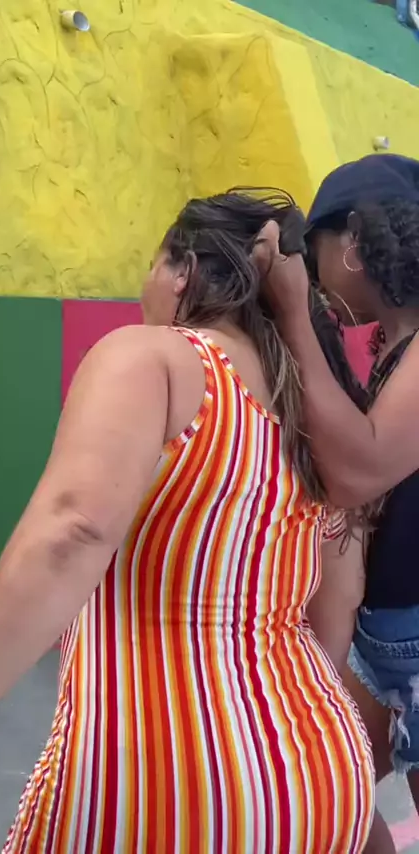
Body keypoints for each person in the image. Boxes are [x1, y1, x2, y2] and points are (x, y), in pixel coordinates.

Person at [0, 189, 374, 853]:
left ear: (183, 272)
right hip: (316, 771)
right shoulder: (314, 417)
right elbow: (336, 604)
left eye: (150, 264)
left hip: (164, 777)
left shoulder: (157, 359)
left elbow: (74, 529)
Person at [255, 153, 419, 854]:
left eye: (314, 251)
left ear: (352, 240)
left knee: (321, 797)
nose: (315, 277)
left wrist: (294, 312)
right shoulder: (391, 342)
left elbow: (362, 468)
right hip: (385, 640)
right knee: (324, 798)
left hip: (411, 637)